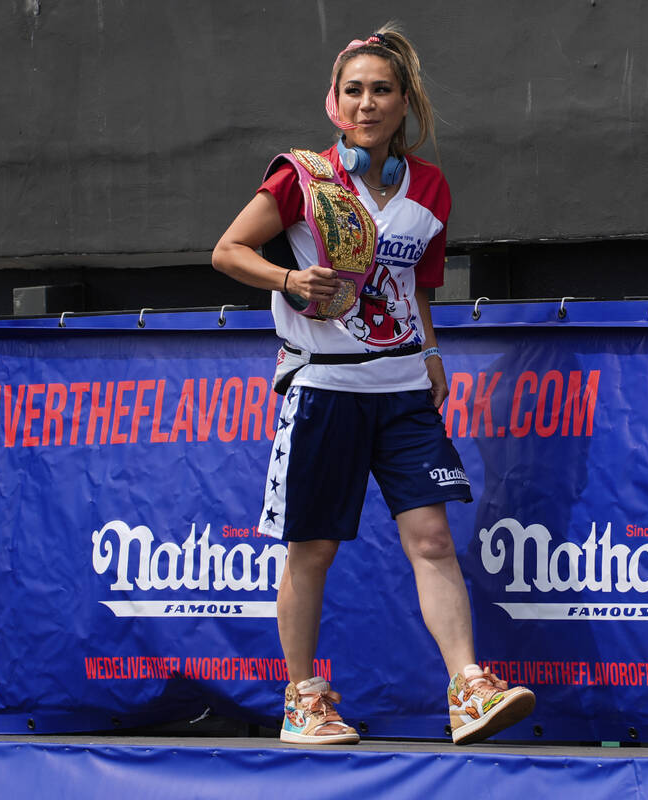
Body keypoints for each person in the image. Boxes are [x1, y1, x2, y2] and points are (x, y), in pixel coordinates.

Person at [211, 23, 534, 746]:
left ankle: (468, 689)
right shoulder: (302, 177)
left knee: (432, 539)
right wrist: (289, 277)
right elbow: (228, 250)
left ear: (403, 102)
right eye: (353, 90)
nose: (367, 103)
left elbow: (418, 281)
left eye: (381, 90)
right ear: (334, 102)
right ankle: (303, 700)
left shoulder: (430, 187)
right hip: (323, 384)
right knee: (313, 549)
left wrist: (431, 350)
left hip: (402, 389)